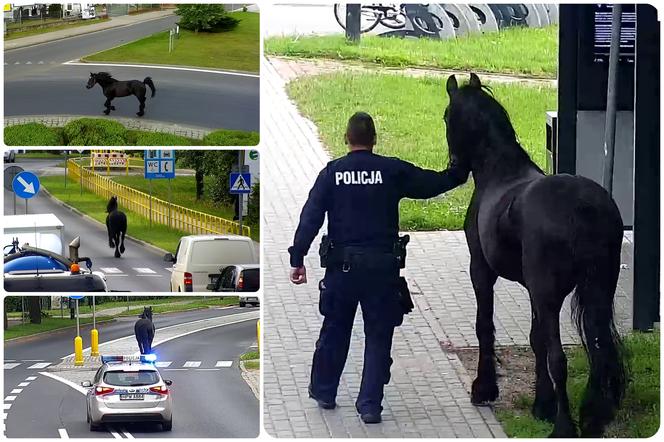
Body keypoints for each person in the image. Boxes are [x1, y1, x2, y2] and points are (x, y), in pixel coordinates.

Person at [287, 112, 470, 424]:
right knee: (378, 336)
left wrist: (297, 258)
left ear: (347, 138)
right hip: (381, 272)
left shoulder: (332, 173)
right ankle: (370, 406)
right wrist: (458, 170)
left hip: (341, 271)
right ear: (374, 140)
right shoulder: (391, 170)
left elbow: (311, 218)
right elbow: (430, 184)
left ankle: (324, 391)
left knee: (334, 331)